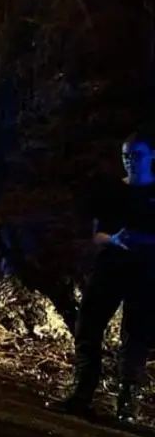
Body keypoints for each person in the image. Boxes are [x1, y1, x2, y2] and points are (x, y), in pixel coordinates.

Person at [53, 130, 155, 421]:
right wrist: (113, 239)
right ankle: (82, 394)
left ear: (152, 156)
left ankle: (127, 405)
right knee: (88, 326)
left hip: (146, 273)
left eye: (137, 155)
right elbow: (96, 235)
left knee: (135, 337)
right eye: (125, 156)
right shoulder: (110, 191)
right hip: (110, 266)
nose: (130, 161)